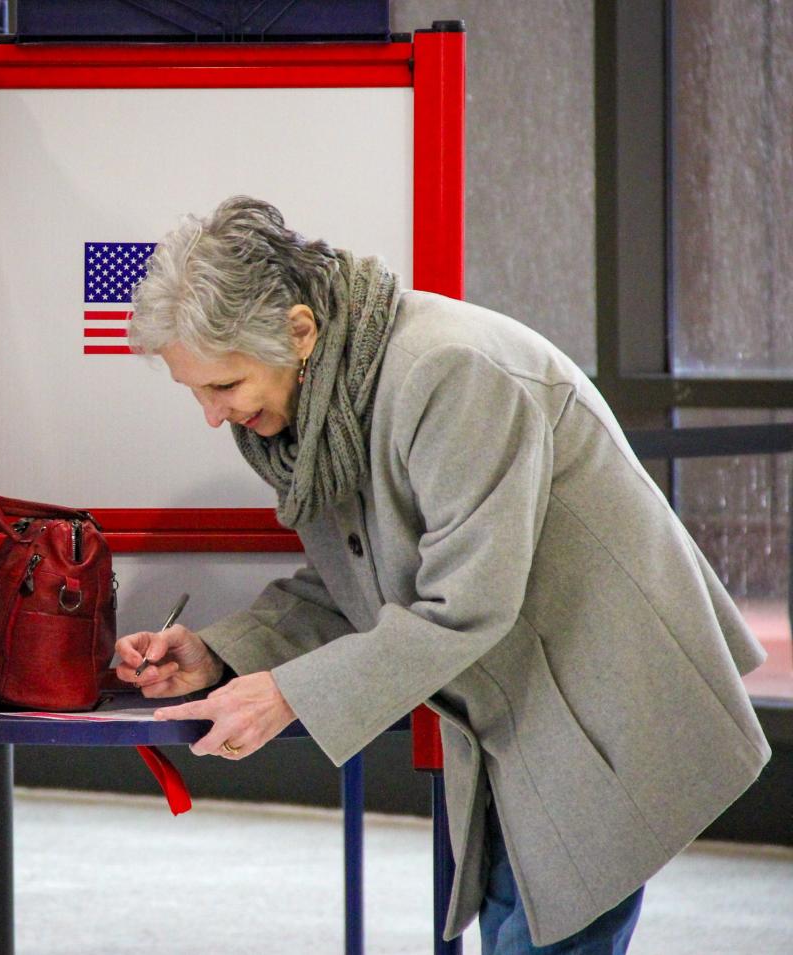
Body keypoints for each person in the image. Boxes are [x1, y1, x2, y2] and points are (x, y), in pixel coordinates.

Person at [114, 196, 770, 953]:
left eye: (223, 387)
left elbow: (465, 604)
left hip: (602, 709)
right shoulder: (328, 401)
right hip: (526, 718)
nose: (212, 415)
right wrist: (223, 653)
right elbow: (357, 580)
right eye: (195, 391)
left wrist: (288, 696)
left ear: (298, 331)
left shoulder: (447, 372)